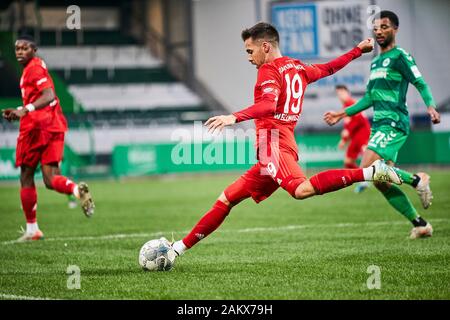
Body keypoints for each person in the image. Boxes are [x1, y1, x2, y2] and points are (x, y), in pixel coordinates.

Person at [170, 22, 401, 258]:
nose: (249, 57)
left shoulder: (268, 70)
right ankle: (175, 250)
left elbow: (269, 104)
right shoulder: (298, 67)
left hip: (273, 145)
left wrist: (233, 117)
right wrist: (356, 51)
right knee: (227, 198)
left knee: (301, 190)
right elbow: (329, 68)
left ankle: (370, 172)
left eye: (250, 51)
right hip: (277, 146)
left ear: (266, 46)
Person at [324, 11, 440, 239]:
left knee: (368, 167)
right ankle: (420, 224)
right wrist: (341, 113)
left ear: (395, 29)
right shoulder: (375, 62)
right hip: (379, 125)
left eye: (384, 27)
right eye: (376, 28)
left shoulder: (401, 57)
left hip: (394, 123)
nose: (378, 31)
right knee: (380, 181)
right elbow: (369, 98)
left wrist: (431, 106)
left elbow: (420, 83)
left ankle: (417, 180)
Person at [2, 34, 95, 242]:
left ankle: (32, 229)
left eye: (24, 48)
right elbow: (40, 99)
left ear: (34, 50)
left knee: (26, 176)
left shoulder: (34, 68)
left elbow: (49, 95)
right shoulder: (34, 68)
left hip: (37, 128)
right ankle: (75, 190)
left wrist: (25, 110)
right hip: (54, 125)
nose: (19, 52)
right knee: (50, 179)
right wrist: (20, 109)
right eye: (17, 48)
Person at [334, 85, 371, 193]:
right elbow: (348, 125)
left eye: (342, 93)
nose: (340, 96)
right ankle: (364, 179)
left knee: (368, 158)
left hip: (362, 134)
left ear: (347, 93)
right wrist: (344, 139)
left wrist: (346, 134)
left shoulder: (351, 103)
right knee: (348, 161)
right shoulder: (345, 106)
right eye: (338, 94)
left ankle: (385, 173)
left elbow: (358, 120)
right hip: (355, 136)